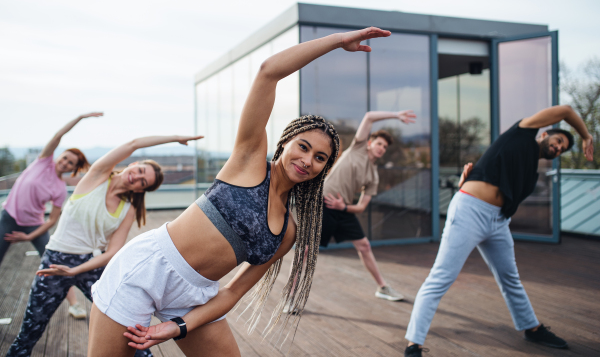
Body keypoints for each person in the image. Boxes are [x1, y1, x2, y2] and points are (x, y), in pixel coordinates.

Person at [87, 27, 391, 357]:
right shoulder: (248, 161)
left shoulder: (288, 232)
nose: (308, 160)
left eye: (320, 158)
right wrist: (335, 42)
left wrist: (179, 326)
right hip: (148, 267)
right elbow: (268, 72)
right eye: (303, 147)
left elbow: (231, 293)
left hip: (198, 294)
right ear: (285, 142)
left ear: (325, 169)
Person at [404, 105, 594, 357]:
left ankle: (532, 328)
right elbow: (566, 110)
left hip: (498, 221)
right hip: (470, 211)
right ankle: (413, 345)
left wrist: (470, 179)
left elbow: (498, 175)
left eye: (562, 149)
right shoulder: (522, 133)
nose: (558, 148)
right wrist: (585, 136)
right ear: (545, 133)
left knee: (510, 277)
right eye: (559, 140)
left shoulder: (531, 174)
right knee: (441, 277)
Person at [6, 133, 200, 357]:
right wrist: (174, 138)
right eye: (138, 171)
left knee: (128, 331)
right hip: (55, 263)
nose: (135, 179)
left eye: (142, 182)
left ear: (140, 190)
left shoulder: (128, 209)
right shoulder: (97, 176)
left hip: (90, 265)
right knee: (28, 334)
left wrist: (75, 270)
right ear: (133, 165)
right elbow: (133, 143)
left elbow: (113, 252)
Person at [286, 110, 417, 309]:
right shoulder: (358, 148)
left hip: (342, 209)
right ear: (370, 142)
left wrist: (344, 206)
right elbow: (369, 116)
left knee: (364, 246)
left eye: (385, 146)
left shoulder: (373, 176)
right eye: (379, 143)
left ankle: (382, 287)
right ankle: (290, 297)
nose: (382, 148)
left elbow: (362, 206)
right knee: (305, 250)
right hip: (323, 203)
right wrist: (396, 115)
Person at [1, 112, 102, 320]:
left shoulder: (59, 188)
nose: (65, 163)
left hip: (33, 226)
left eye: (71, 164)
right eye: (65, 158)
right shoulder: (42, 162)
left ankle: (74, 305)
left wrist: (29, 237)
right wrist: (80, 118)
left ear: (73, 169)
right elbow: (58, 135)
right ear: (59, 156)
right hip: (8, 217)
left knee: (53, 263)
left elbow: (52, 220)